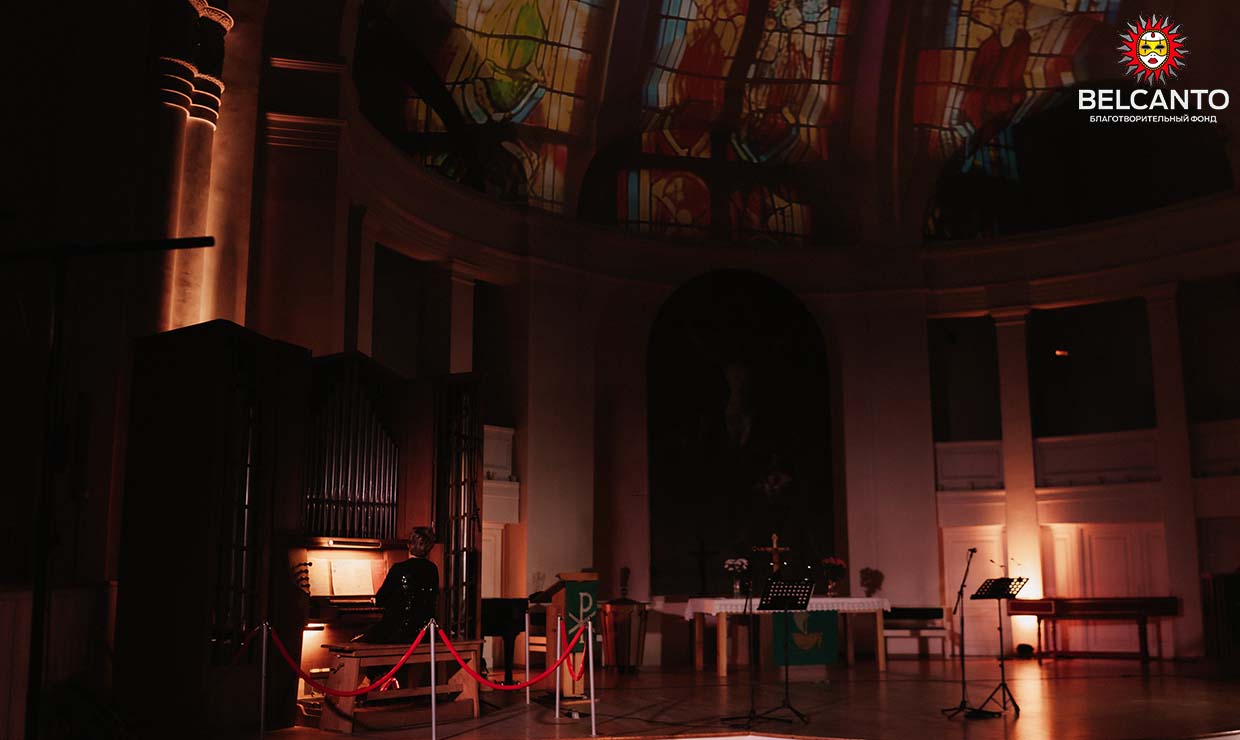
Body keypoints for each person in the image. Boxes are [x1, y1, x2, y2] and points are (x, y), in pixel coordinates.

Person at [356, 527, 439, 643]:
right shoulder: (432, 569)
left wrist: (374, 600)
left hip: (398, 631)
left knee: (358, 639)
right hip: (425, 632)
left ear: (409, 545)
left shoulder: (399, 569)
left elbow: (380, 599)